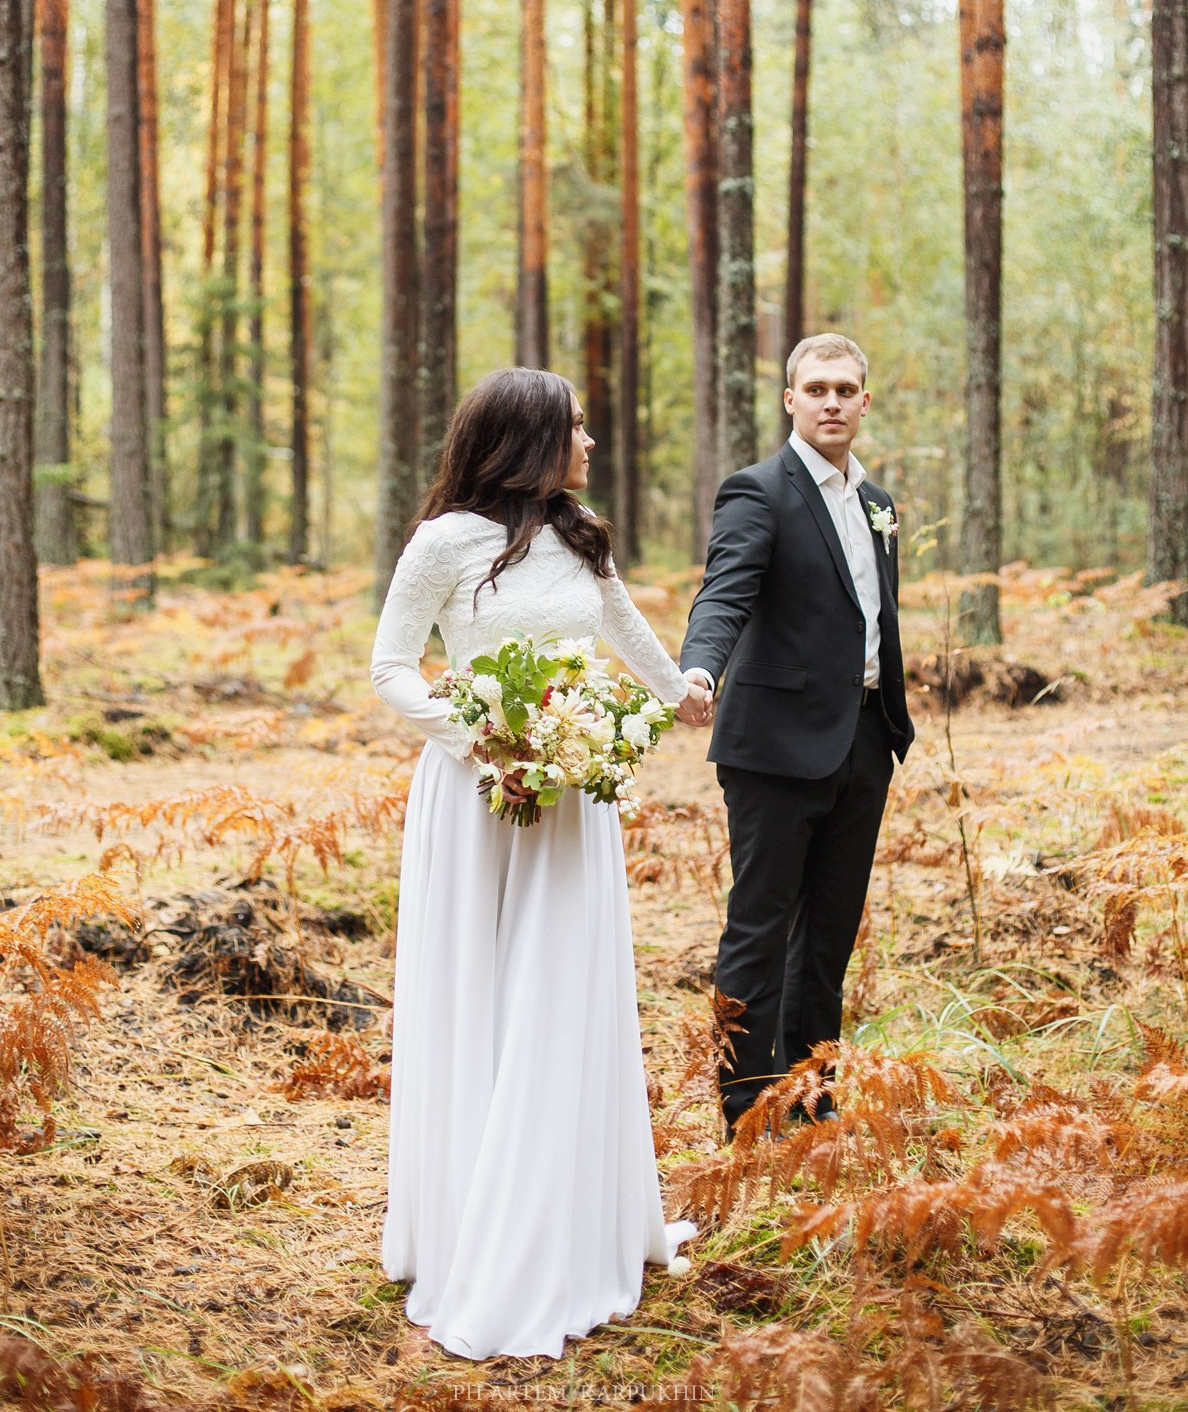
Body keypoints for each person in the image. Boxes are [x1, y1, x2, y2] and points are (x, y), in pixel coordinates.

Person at [370, 367, 709, 1361]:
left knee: (558, 993)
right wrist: (479, 737)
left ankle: (567, 1221)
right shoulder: (443, 543)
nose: (590, 442)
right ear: (526, 439)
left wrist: (684, 690)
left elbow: (626, 635)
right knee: (480, 994)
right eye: (575, 427)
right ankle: (469, 1229)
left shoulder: (579, 533)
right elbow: (390, 668)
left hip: (568, 799)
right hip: (476, 796)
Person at [680, 333, 914, 1135]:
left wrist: (886, 725)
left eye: (845, 389)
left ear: (865, 401)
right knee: (761, 930)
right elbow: (724, 593)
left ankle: (813, 1099)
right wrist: (700, 669)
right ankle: (747, 1110)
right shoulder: (758, 492)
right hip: (775, 748)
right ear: (790, 401)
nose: (831, 402)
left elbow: (870, 615)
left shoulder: (878, 502)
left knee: (828, 938)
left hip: (864, 742)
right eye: (816, 389)